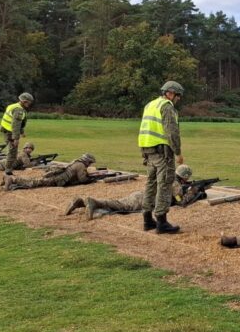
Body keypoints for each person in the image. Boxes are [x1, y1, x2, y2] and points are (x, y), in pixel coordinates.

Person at [138, 81, 186, 234]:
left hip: (148, 150)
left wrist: (143, 153)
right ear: (170, 93)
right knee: (165, 184)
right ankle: (161, 221)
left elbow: (144, 129)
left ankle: (147, 220)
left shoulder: (150, 105)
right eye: (177, 96)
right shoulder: (166, 107)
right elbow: (171, 132)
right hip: (162, 152)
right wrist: (178, 152)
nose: (177, 99)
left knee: (150, 185)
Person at [65, 164, 195, 220]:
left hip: (140, 195)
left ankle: (81, 203)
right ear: (185, 176)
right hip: (144, 201)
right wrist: (193, 192)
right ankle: (93, 202)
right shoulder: (176, 184)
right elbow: (181, 202)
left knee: (117, 203)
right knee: (119, 207)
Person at [3, 153, 95, 190]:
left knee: (37, 181)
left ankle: (13, 179)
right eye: (90, 162)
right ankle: (13, 179)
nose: (90, 164)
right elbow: (83, 179)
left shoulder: (77, 162)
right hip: (58, 179)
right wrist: (92, 179)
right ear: (87, 161)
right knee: (35, 183)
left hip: (58, 176)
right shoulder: (81, 165)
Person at [0, 92, 33, 171]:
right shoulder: (19, 110)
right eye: (29, 102)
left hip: (5, 129)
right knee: (12, 152)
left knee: (12, 151)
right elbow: (16, 125)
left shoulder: (13, 106)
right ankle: (8, 170)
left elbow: (19, 122)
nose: (29, 104)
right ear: (24, 101)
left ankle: (8, 168)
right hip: (10, 132)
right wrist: (16, 138)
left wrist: (21, 132)